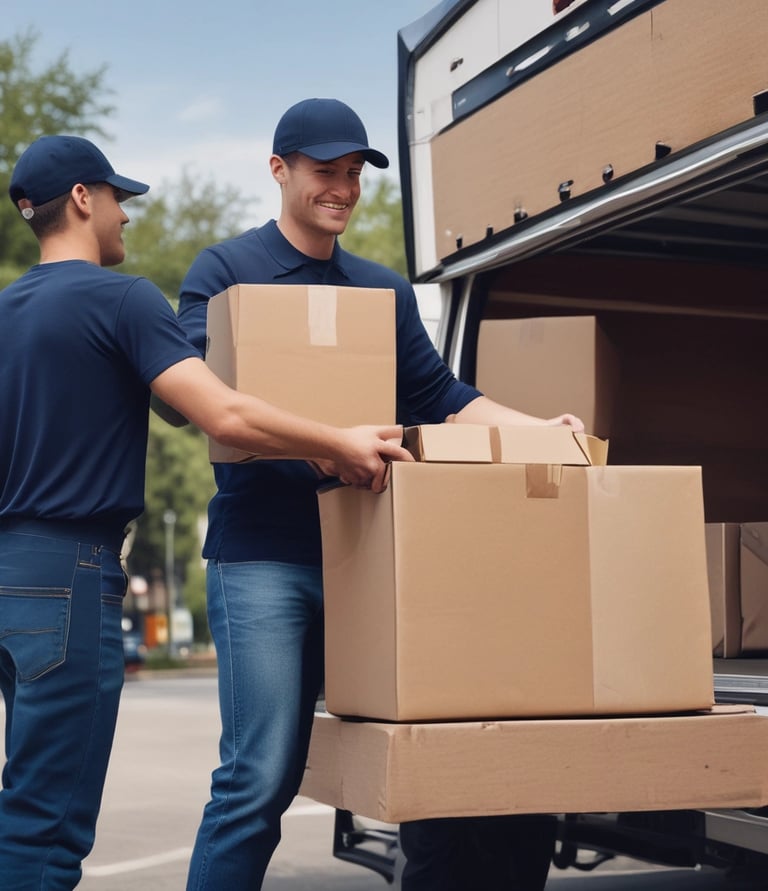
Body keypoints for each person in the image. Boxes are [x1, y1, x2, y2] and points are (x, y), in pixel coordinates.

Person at [175, 97, 583, 890]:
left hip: (373, 555)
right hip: (265, 557)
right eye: (326, 171)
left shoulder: (381, 289)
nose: (344, 188)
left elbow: (442, 393)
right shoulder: (224, 273)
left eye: (355, 173)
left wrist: (546, 431)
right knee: (259, 777)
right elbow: (206, 406)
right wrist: (326, 446)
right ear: (278, 170)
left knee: (429, 752)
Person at [0, 134, 411, 891]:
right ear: (84, 200)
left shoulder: (6, 309)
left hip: (8, 572)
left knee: (21, 799)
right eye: (118, 199)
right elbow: (216, 414)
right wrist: (339, 440)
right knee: (47, 826)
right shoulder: (121, 298)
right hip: (72, 573)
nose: (125, 216)